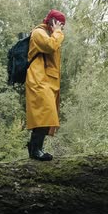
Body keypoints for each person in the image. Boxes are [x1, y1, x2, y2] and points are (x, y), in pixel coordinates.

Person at [25, 9, 66, 161]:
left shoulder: (48, 34)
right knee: (45, 113)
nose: (61, 28)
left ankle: (36, 148)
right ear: (53, 22)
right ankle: (35, 149)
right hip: (38, 79)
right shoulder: (38, 33)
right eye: (60, 24)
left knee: (45, 114)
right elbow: (50, 46)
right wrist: (57, 32)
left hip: (45, 80)